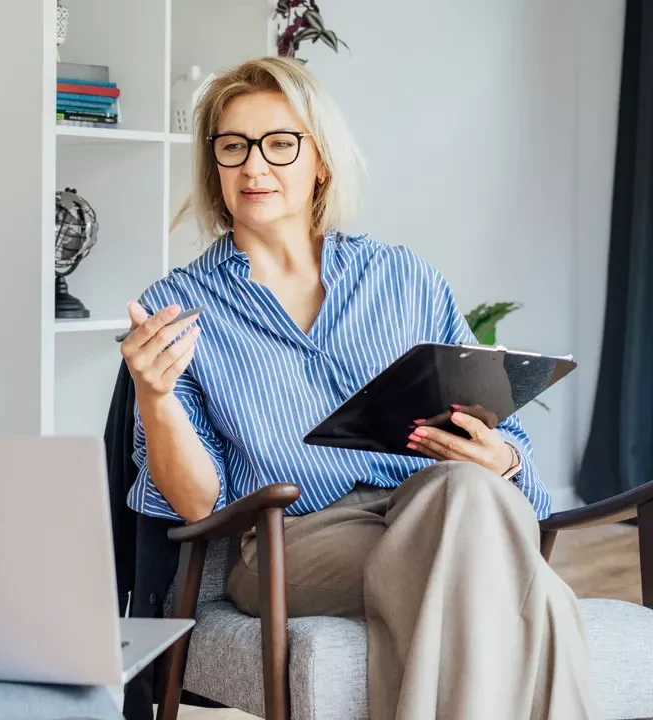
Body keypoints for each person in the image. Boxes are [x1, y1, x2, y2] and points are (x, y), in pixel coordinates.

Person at [120, 56, 596, 720]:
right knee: (526, 586)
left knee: (466, 494)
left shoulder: (404, 278)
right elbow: (198, 502)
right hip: (293, 541)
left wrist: (503, 457)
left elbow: (501, 428)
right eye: (233, 147)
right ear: (214, 166)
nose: (254, 166)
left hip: (430, 504)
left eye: (279, 143)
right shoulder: (180, 308)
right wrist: (155, 395)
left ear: (320, 159)